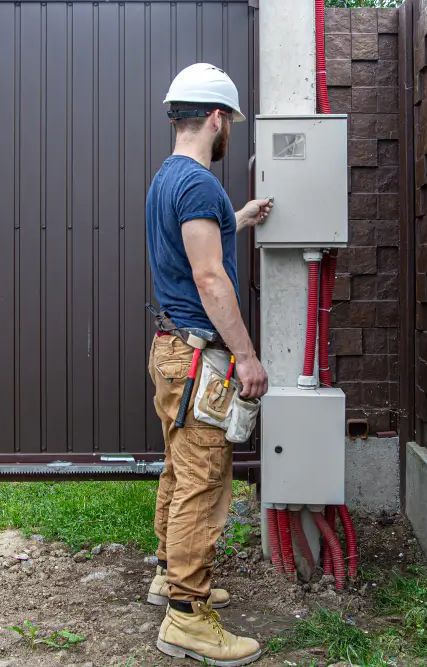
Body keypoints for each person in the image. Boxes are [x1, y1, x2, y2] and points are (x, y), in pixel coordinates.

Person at [144, 63, 273, 666]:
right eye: (231, 124)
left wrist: (239, 217)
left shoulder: (168, 180)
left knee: (180, 465)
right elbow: (208, 274)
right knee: (203, 478)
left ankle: (170, 575)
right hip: (198, 356)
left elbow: (198, 244)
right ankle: (188, 618)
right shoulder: (197, 185)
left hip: (171, 351)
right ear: (217, 118)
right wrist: (245, 354)